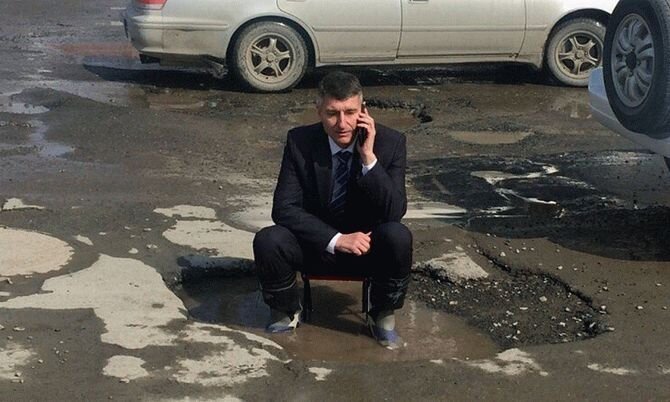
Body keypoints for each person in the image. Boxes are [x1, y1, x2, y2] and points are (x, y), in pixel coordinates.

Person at [252, 71, 412, 349]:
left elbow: (394, 211)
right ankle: (285, 309)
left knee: (398, 235)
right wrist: (336, 239)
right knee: (269, 239)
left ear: (363, 111)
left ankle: (382, 314)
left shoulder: (391, 143)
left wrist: (369, 159)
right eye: (332, 113)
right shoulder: (300, 141)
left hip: (366, 248)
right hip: (316, 246)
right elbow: (284, 208)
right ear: (319, 111)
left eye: (350, 112)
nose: (342, 123)